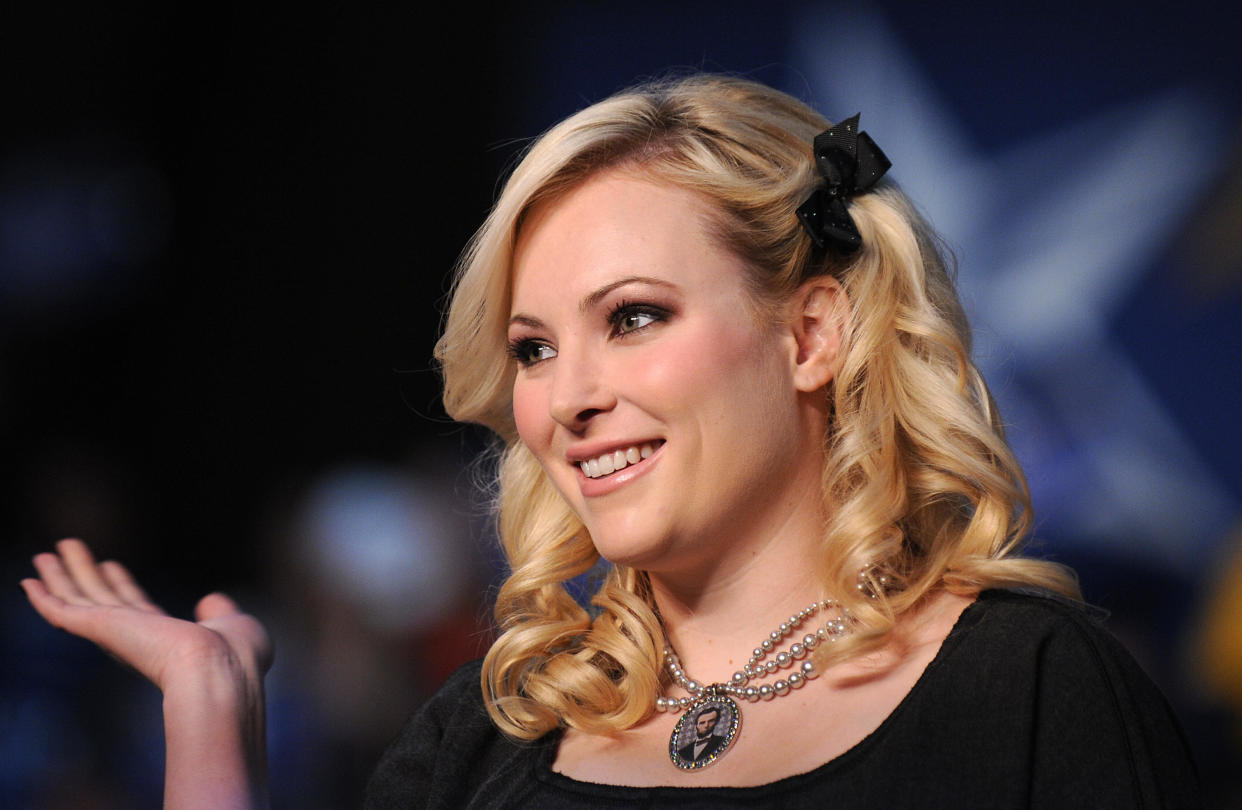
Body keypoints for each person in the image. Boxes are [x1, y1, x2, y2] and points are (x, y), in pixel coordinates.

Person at [22, 74, 1201, 808]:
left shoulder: (1034, 689)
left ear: (812, 332)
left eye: (632, 318)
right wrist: (211, 719)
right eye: (533, 349)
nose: (567, 399)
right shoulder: (495, 733)